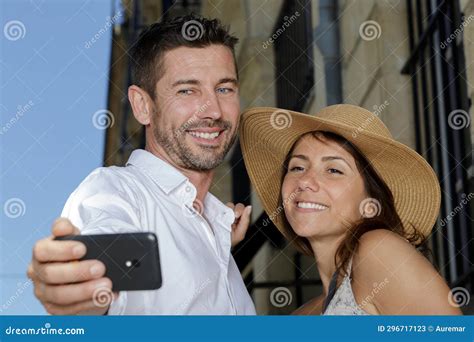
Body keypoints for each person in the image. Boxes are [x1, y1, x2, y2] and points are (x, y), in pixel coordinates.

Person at [27, 15, 256, 315]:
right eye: (187, 90)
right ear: (142, 106)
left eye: (224, 89)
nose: (212, 110)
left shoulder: (216, 226)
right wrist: (78, 289)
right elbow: (103, 265)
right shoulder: (116, 192)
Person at [240, 105, 462, 315]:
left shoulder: (378, 250)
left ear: (371, 204)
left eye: (334, 170)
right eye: (297, 167)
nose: (305, 181)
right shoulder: (302, 315)